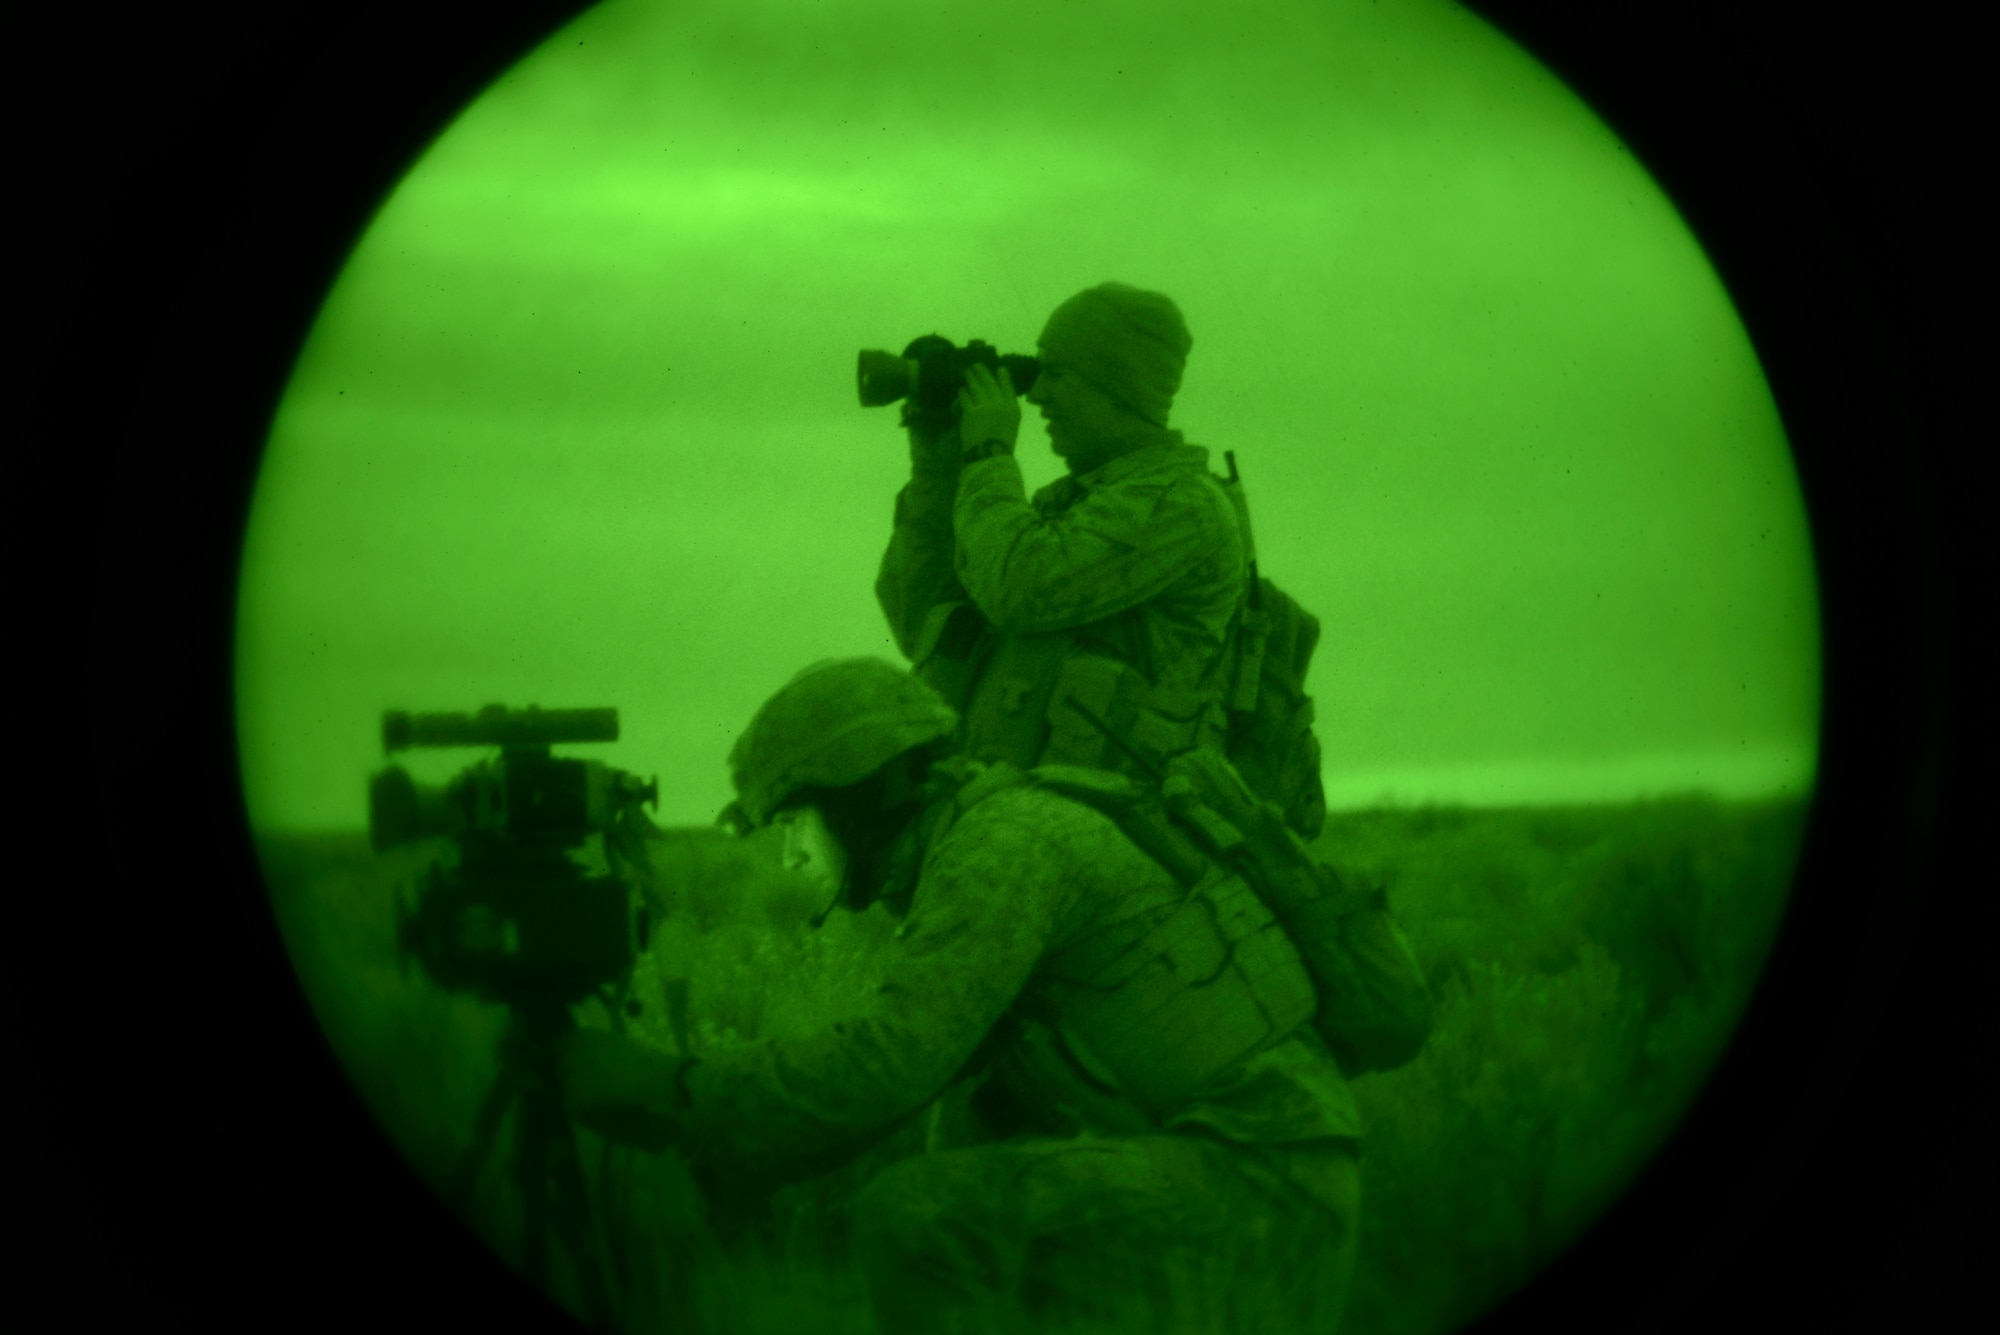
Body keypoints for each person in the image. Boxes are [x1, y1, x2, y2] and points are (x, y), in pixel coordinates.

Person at [558, 658, 1433, 1333]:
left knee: (918, 1216)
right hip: (1258, 1173)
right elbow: (913, 1081)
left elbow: (889, 1064)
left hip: (1265, 1191)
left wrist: (677, 1096)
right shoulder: (989, 836)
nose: (784, 857)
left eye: (792, 821)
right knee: (974, 1136)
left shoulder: (1001, 848)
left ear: (862, 793)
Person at [875, 282, 1249, 778]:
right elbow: (920, 622)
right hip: (1015, 804)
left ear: (1116, 384)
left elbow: (1021, 591)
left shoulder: (1182, 506)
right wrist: (937, 467)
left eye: (1056, 373)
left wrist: (988, 455)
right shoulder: (1064, 507)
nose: (1039, 396)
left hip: (1113, 821)